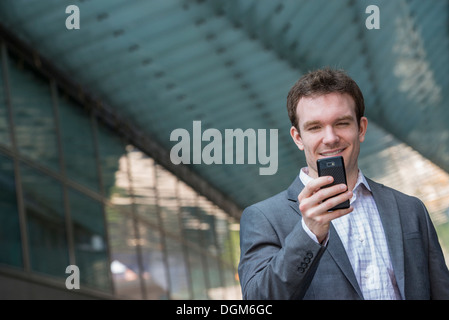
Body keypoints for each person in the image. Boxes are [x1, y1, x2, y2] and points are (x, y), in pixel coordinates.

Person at [238, 67, 449, 300]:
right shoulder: (264, 218)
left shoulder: (410, 209)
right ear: (298, 138)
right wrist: (308, 234)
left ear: (361, 128)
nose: (330, 138)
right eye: (315, 127)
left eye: (341, 123)